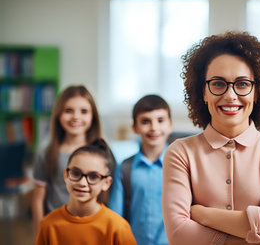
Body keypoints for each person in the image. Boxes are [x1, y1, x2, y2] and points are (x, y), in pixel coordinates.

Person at [162, 31, 260, 245]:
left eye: (243, 84)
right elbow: (179, 234)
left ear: (257, 92)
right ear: (204, 92)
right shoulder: (180, 153)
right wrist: (258, 228)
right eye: (218, 83)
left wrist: (202, 215)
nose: (230, 95)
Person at [35, 139, 137, 245]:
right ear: (66, 175)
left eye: (93, 176)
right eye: (76, 173)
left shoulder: (118, 227)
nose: (82, 183)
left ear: (106, 183)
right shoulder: (48, 224)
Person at [31, 85, 104, 234]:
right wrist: (40, 235)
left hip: (92, 230)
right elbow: (38, 199)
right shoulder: (46, 154)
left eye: (84, 111)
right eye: (68, 110)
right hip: (57, 229)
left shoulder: (103, 154)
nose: (76, 117)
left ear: (93, 116)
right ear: (58, 114)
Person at [109, 94, 172, 245]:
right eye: (145, 121)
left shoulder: (184, 165)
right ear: (135, 128)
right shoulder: (125, 168)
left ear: (170, 124)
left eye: (160, 120)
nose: (154, 127)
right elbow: (115, 217)